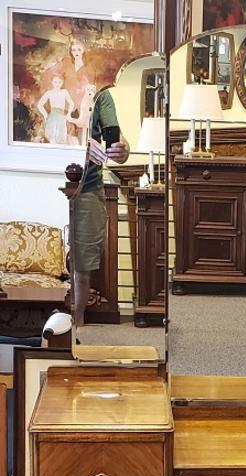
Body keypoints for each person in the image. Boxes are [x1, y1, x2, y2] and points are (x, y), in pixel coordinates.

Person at [72, 89, 129, 331]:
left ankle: (77, 321)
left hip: (88, 187)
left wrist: (122, 149)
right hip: (54, 181)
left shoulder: (101, 94)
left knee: (83, 267)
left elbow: (118, 144)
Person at [36, 75, 74, 144]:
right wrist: (45, 115)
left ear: (62, 82)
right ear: (52, 82)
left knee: (61, 137)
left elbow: (72, 103)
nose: (57, 84)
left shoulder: (64, 92)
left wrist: (68, 114)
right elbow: (40, 104)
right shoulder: (49, 93)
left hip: (61, 117)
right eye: (55, 82)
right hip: (52, 117)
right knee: (51, 137)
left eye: (59, 82)